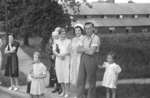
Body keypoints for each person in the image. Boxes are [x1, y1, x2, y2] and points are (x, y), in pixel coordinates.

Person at [76, 22, 100, 98]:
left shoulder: (96, 38)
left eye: (89, 28)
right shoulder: (84, 38)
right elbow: (78, 49)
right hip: (83, 58)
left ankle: (91, 96)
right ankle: (80, 96)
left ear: (93, 28)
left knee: (91, 80)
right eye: (86, 28)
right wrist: (86, 49)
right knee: (80, 79)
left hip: (92, 59)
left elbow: (91, 52)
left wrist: (83, 49)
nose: (87, 30)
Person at [53, 28, 71, 98]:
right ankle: (63, 91)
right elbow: (54, 51)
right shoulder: (56, 41)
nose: (63, 35)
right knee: (60, 76)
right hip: (58, 60)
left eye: (64, 33)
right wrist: (59, 55)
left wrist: (64, 55)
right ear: (59, 34)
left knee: (66, 75)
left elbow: (70, 51)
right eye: (62, 33)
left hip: (66, 60)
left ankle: (67, 92)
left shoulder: (69, 41)